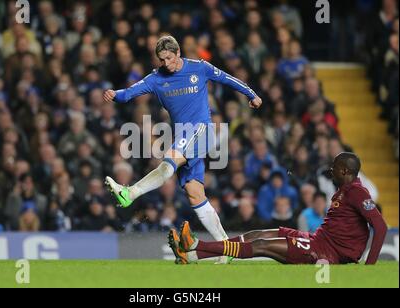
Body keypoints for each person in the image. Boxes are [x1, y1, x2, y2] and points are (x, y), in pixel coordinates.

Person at [103, 35, 262, 263]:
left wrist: (252, 95)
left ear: (178, 53)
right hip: (184, 136)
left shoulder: (200, 67)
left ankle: (130, 193)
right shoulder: (156, 78)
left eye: (168, 58)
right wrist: (114, 95)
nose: (165, 63)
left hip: (201, 130)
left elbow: (228, 79)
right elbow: (129, 93)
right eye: (161, 59)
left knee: (168, 163)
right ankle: (227, 250)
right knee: (194, 193)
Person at [169, 152, 387, 265]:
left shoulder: (357, 192)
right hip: (319, 240)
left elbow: (380, 226)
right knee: (259, 234)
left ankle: (196, 244)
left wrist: (369, 264)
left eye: (335, 167)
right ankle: (192, 255)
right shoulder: (345, 190)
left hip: (326, 252)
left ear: (344, 170)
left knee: (262, 245)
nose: (331, 170)